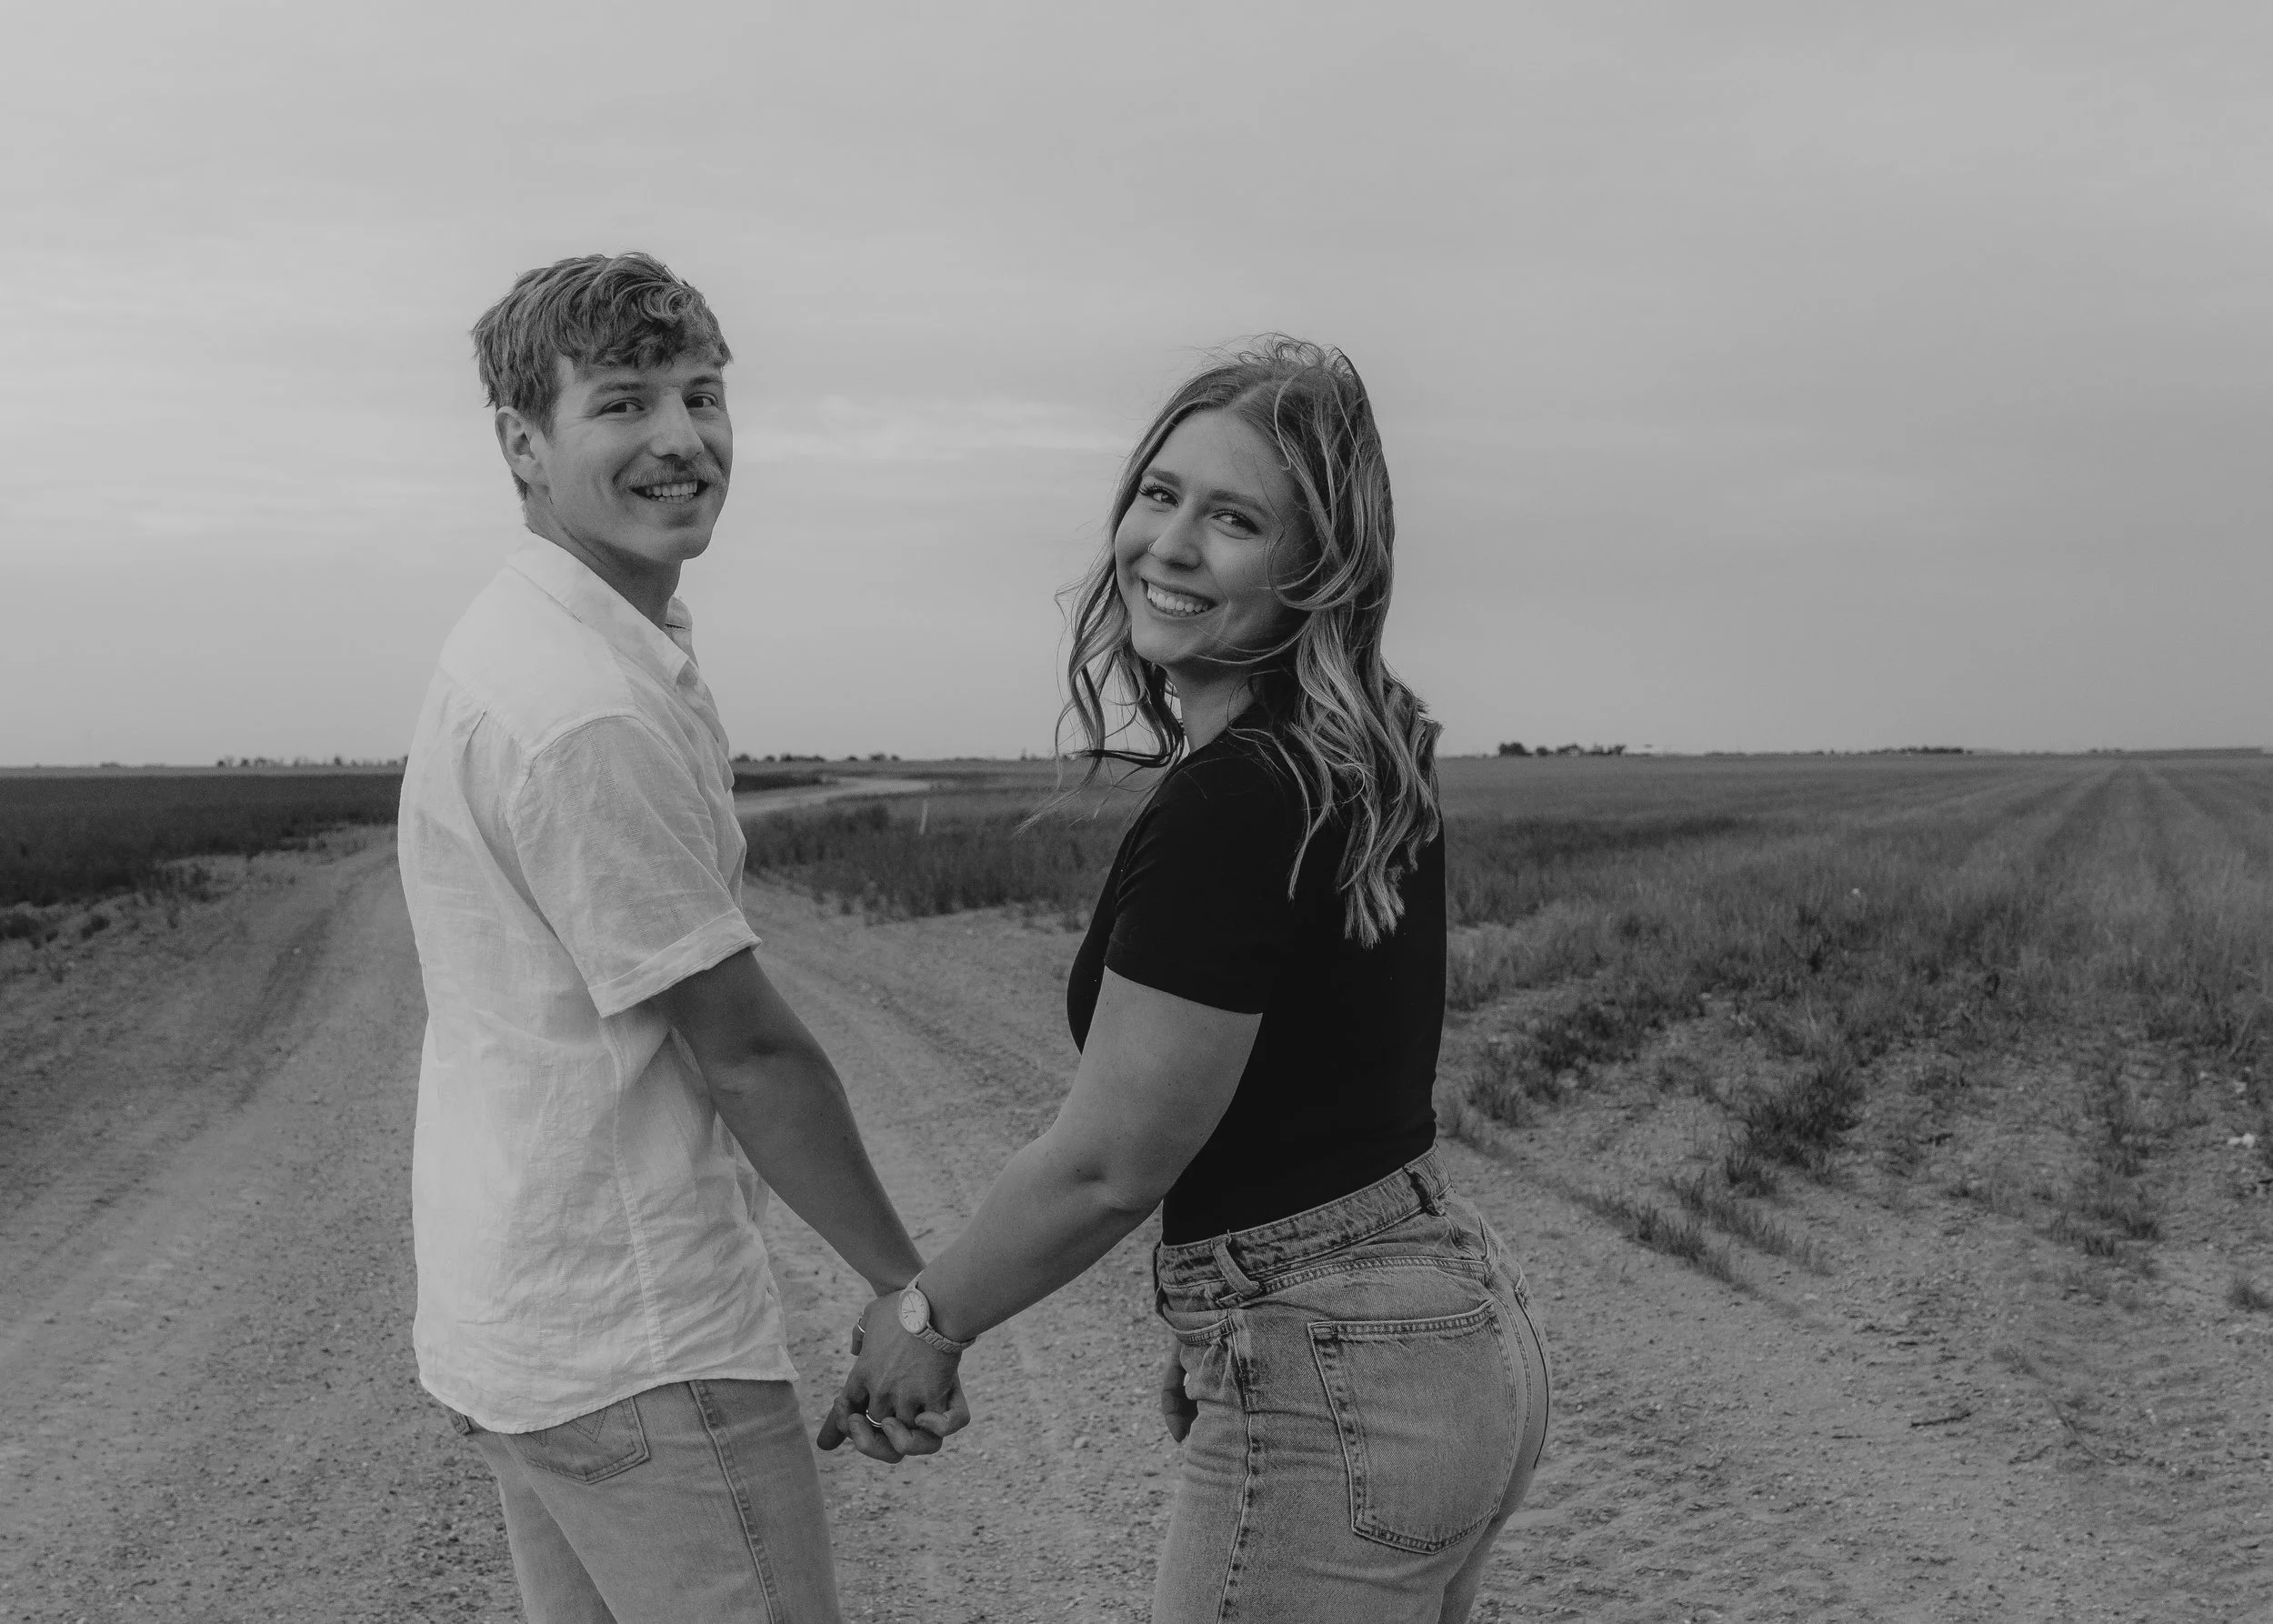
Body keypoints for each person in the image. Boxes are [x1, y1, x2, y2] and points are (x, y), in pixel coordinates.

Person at [824, 337, 1550, 1619]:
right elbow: (1317, 1091)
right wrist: (1224, 1332)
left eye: (1233, 519)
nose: (1168, 543)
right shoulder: (1366, 750)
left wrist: (929, 1315)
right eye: (1158, 495)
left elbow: (1113, 1159)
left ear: (1316, 565)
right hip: (1441, 1318)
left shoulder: (1236, 801)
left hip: (1348, 1362)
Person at [398, 251, 964, 1624]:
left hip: (531, 1327)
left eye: (703, 394)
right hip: (633, 1342)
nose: (681, 438)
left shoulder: (546, 637)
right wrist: (912, 1294)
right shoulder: (583, 703)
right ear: (522, 443)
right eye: (624, 402)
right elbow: (749, 1055)